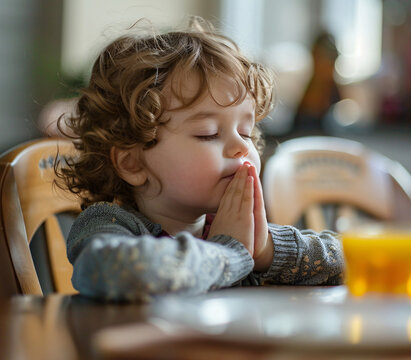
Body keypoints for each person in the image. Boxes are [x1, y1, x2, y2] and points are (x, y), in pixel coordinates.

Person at [56, 18, 344, 302]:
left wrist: (267, 250)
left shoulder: (235, 225)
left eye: (246, 132)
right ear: (133, 163)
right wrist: (230, 252)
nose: (241, 148)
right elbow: (122, 272)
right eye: (208, 134)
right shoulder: (110, 224)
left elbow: (346, 259)